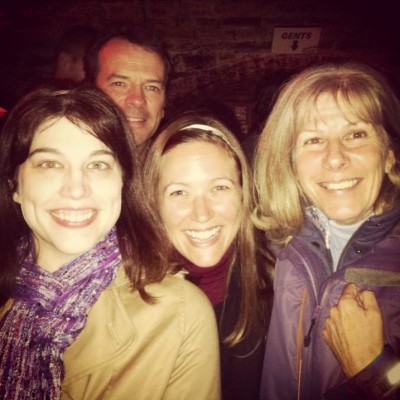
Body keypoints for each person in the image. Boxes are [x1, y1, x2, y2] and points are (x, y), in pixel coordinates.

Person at [0, 85, 220, 400]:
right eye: (50, 164)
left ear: (122, 181)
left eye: (98, 165)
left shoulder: (180, 314)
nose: (76, 189)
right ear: (14, 185)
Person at [253, 62, 400, 400]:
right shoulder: (282, 247)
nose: (335, 158)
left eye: (356, 134)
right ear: (291, 161)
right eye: (314, 139)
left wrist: (377, 370)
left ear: (389, 153)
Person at [143, 113, 273, 400]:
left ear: (243, 193)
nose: (202, 213)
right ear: (154, 203)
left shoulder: (280, 288)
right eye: (179, 192)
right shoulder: (129, 303)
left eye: (219, 187)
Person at [85, 26, 170, 158]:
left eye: (151, 87)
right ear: (90, 93)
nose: (137, 99)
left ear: (163, 104)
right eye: (119, 84)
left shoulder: (177, 172)